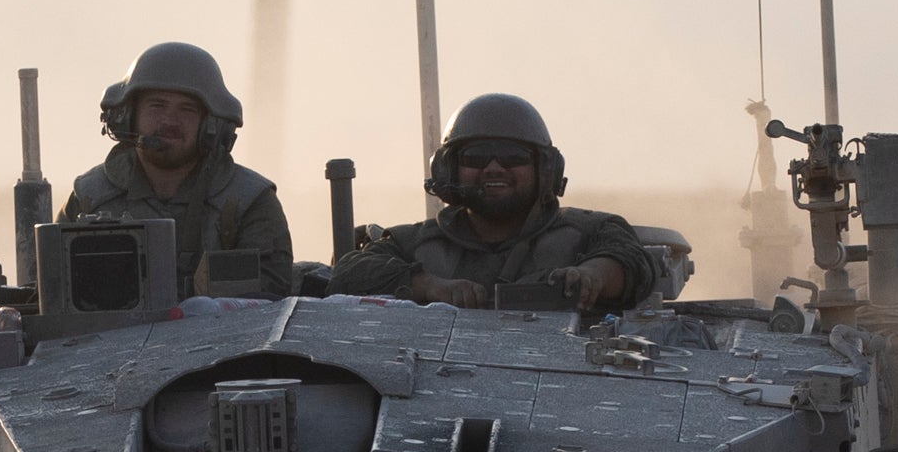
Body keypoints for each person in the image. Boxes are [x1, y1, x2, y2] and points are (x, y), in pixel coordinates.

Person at [340, 94, 663, 314]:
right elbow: (347, 276)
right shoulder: (413, 243)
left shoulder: (589, 230)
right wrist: (427, 286)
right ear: (447, 169)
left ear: (545, 170)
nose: (494, 168)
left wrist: (591, 276)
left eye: (513, 157)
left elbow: (632, 263)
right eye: (476, 157)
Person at [54, 39, 295, 297]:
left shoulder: (248, 202)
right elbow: (53, 291)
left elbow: (269, 301)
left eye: (187, 109)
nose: (170, 120)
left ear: (210, 126)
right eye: (157, 105)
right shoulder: (90, 198)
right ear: (127, 115)